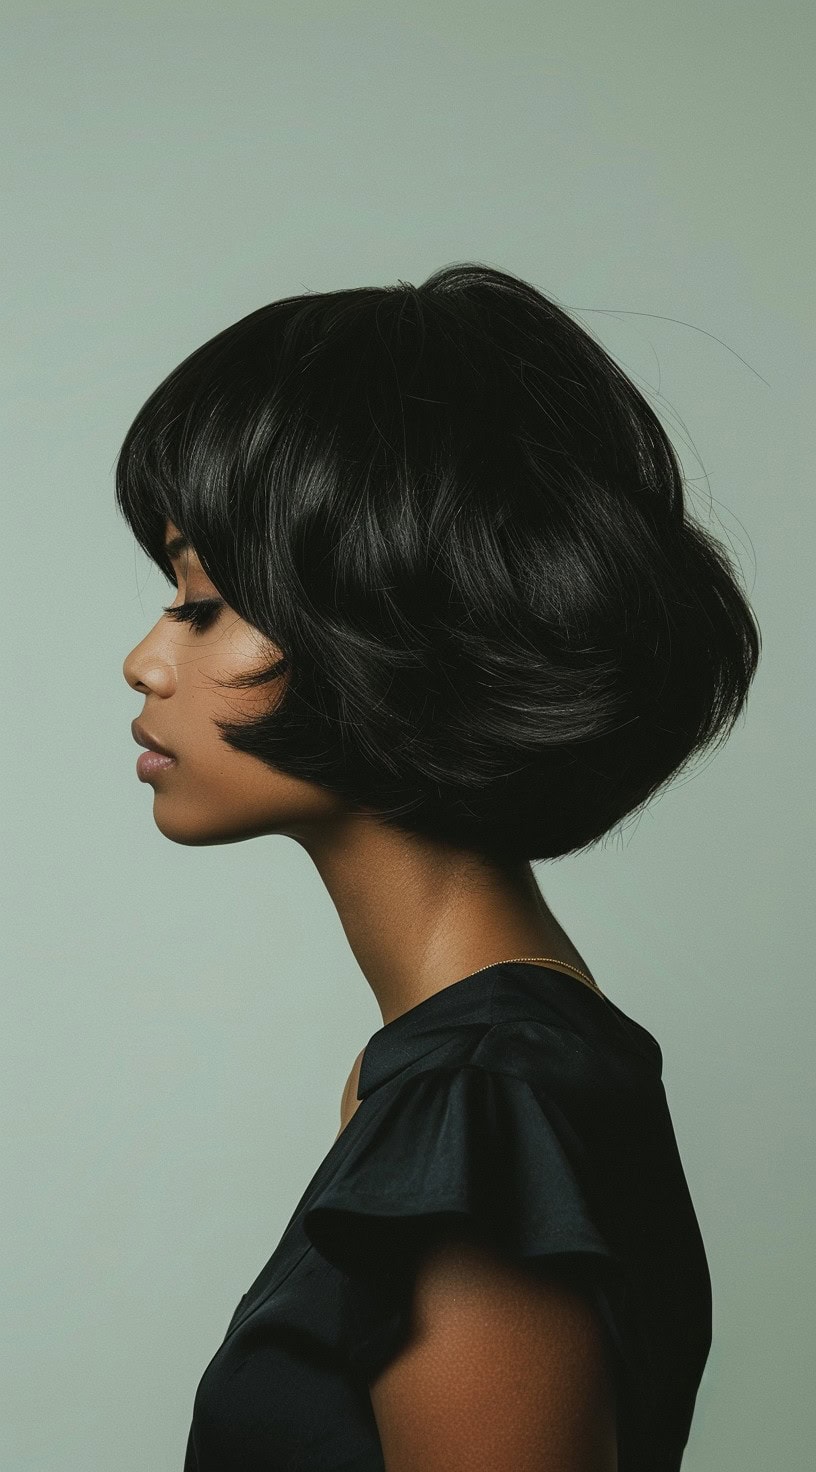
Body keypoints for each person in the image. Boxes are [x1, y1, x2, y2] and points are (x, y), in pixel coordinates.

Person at [119, 262, 760, 1470]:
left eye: (201, 601)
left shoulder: (485, 1101)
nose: (144, 660)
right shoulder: (450, 1072)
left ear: (384, 628)